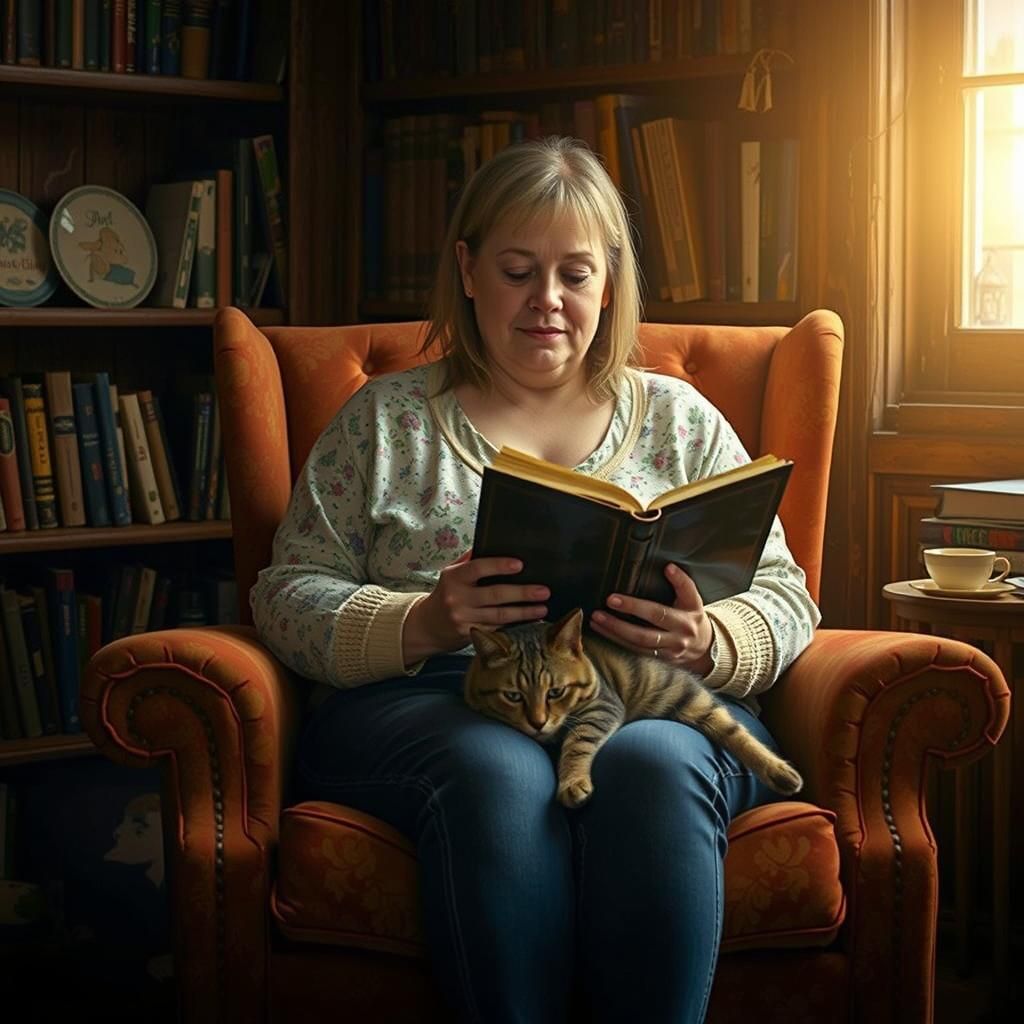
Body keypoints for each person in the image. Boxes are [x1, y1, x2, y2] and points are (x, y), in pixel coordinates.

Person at [250, 136, 820, 1024]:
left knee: (657, 762)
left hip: (649, 699)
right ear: (469, 270)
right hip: (432, 703)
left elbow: (788, 595)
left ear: (610, 282)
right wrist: (420, 621)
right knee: (499, 772)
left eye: (574, 274)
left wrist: (713, 640)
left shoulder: (681, 420)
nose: (547, 301)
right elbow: (284, 595)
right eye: (518, 271)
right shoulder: (388, 420)